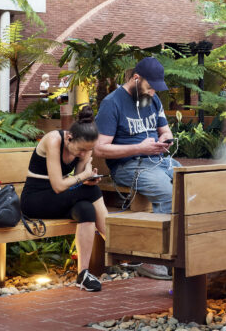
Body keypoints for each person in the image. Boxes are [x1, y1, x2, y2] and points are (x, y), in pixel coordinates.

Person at [94, 57, 175, 280]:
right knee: (168, 193)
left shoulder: (152, 99)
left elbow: (164, 130)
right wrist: (139, 147)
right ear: (136, 78)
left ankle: (182, 252)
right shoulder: (112, 103)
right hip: (128, 165)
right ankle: (152, 260)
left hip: (158, 160)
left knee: (192, 185)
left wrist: (165, 140)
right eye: (150, 87)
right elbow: (99, 149)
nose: (153, 93)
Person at [20, 108, 108, 292]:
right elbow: (59, 185)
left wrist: (88, 179)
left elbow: (77, 180)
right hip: (36, 200)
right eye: (81, 150)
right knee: (91, 193)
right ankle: (118, 244)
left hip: (59, 200)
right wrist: (84, 176)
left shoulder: (84, 149)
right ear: (69, 138)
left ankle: (83, 274)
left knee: (86, 209)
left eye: (89, 150)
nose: (84, 154)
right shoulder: (54, 140)